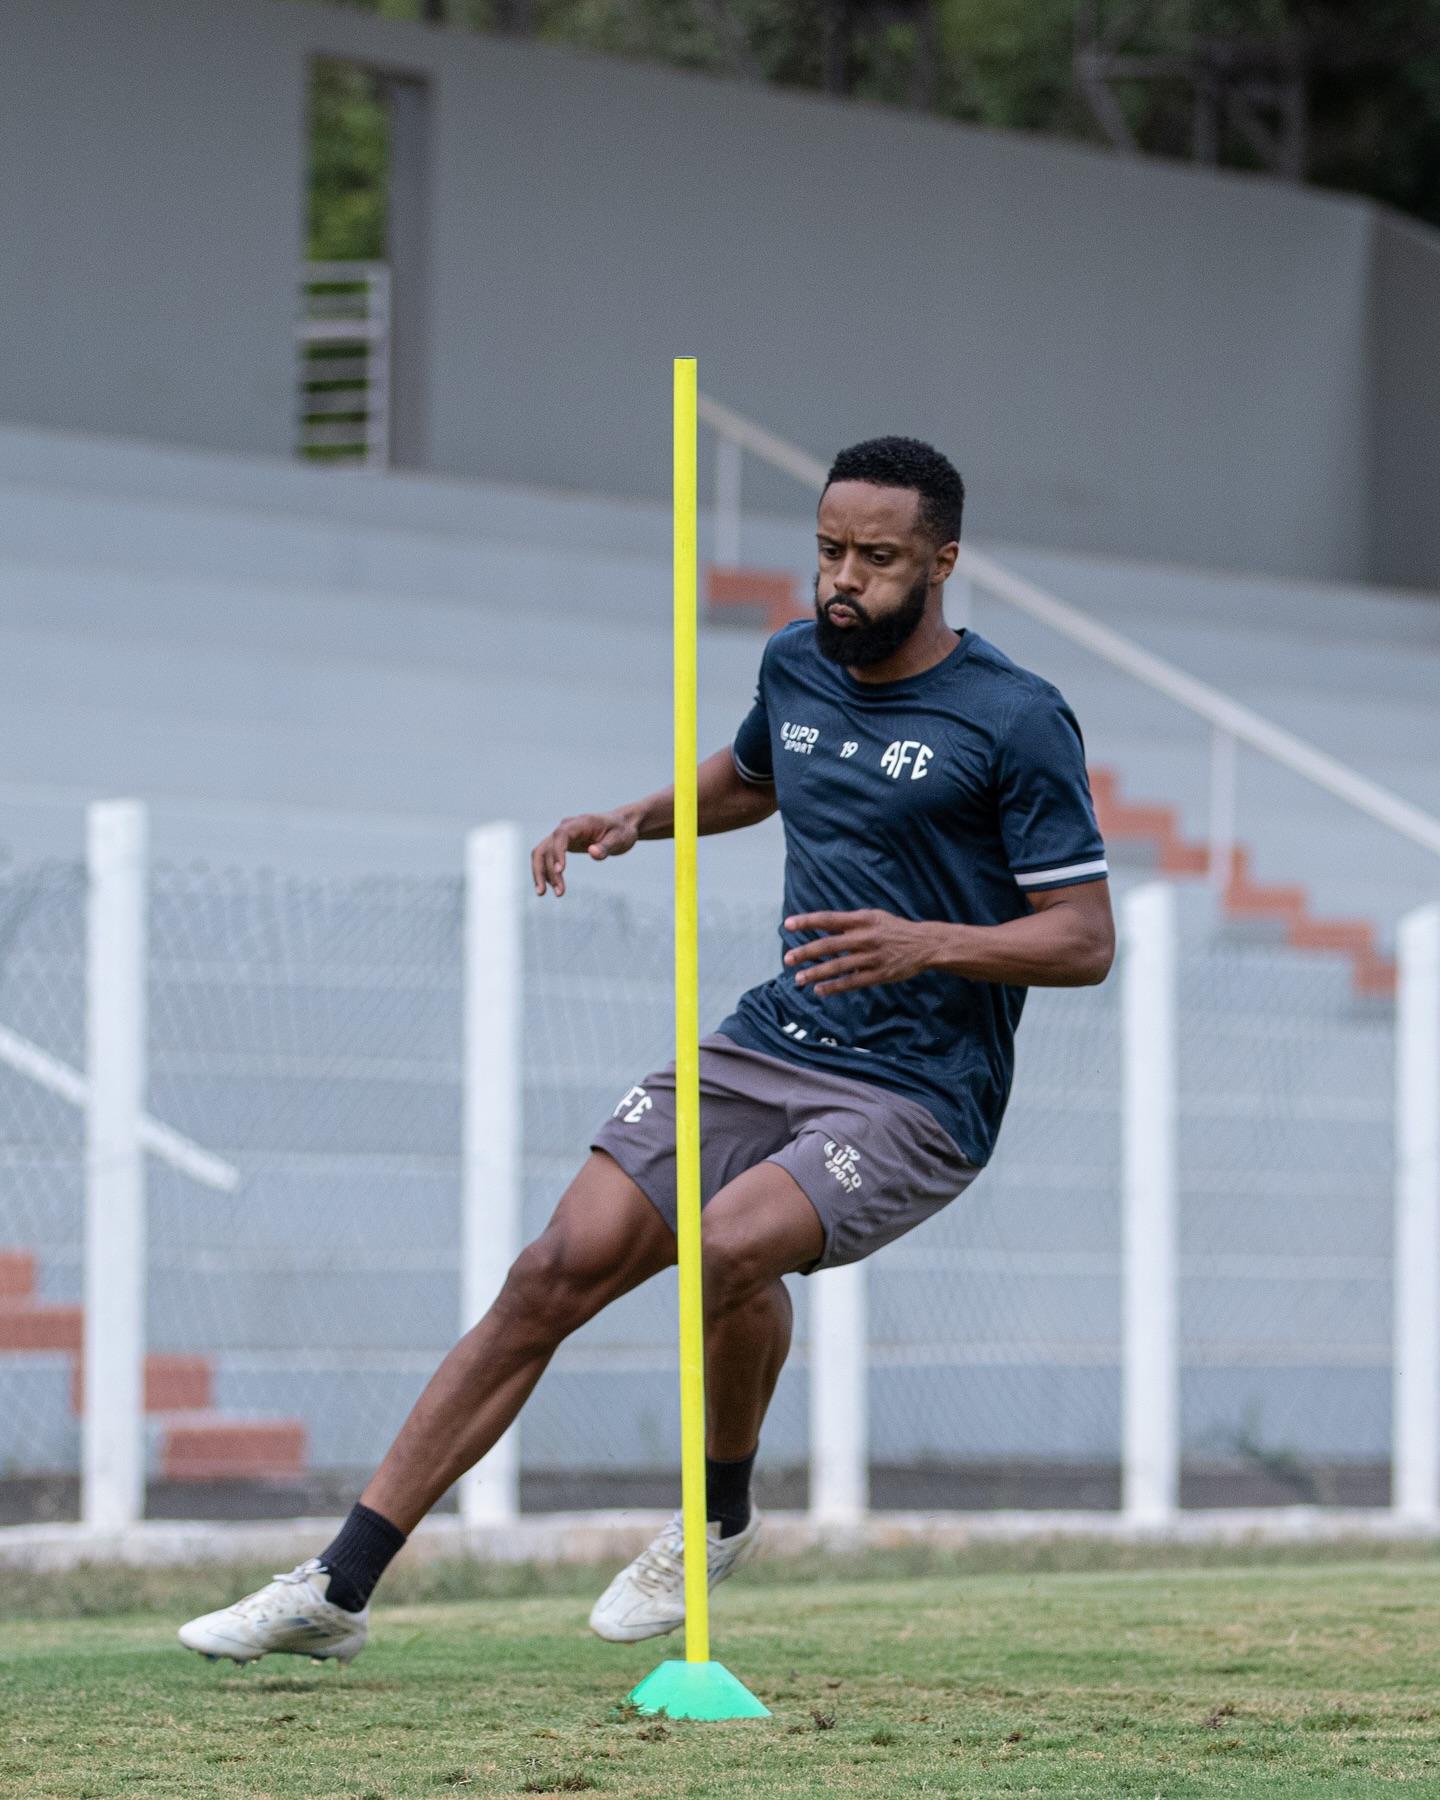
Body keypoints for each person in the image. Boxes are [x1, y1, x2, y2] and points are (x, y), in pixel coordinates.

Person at [178, 436, 1114, 1665]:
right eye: (830, 550)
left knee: (725, 1248)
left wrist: (924, 943)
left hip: (916, 1092)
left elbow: (1084, 939)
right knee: (554, 1267)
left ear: (941, 562)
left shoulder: (1015, 716)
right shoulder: (795, 662)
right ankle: (336, 1588)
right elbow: (758, 774)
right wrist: (641, 815)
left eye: (878, 560)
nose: (845, 580)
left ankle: (715, 1518)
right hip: (771, 1037)